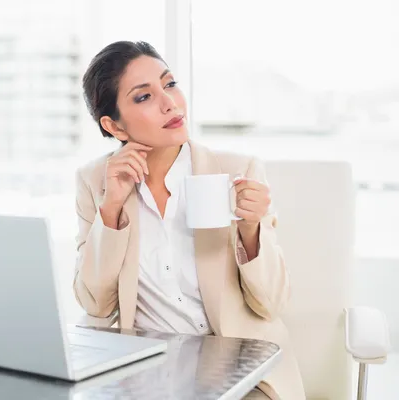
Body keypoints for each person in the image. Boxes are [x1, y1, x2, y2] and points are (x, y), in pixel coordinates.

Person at [73, 41, 306, 399]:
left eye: (169, 84)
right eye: (143, 97)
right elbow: (96, 305)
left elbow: (271, 303)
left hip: (240, 373)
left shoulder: (236, 171)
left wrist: (250, 229)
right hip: (146, 373)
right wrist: (112, 207)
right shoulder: (94, 182)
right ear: (114, 126)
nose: (170, 102)